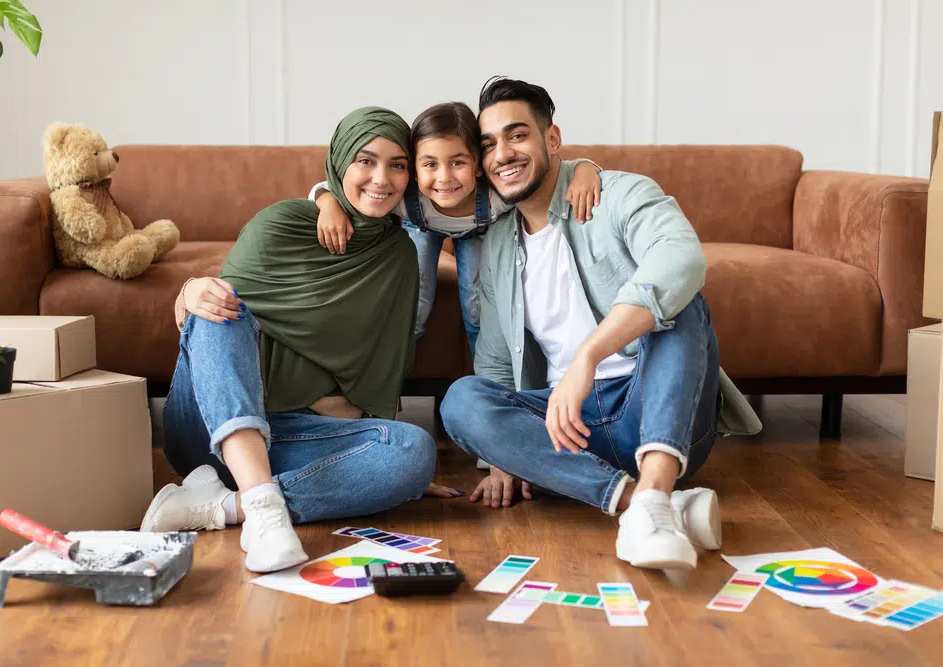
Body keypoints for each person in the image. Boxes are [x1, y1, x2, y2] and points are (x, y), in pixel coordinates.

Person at [440, 78, 761, 572]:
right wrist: (504, 455)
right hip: (568, 428)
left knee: (680, 306)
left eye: (517, 135)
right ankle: (647, 507)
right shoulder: (498, 243)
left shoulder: (618, 194)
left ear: (552, 139)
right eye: (488, 145)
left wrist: (587, 355)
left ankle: (655, 484)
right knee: (462, 399)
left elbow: (681, 261)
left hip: (657, 411)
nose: (503, 153)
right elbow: (498, 359)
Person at [140, 107, 457, 574]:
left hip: (292, 439)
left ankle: (229, 506)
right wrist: (190, 292)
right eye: (365, 161)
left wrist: (388, 464)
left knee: (414, 449)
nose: (381, 178)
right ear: (338, 162)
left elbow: (382, 369)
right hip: (208, 432)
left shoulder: (396, 256)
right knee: (218, 304)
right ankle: (266, 513)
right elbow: (215, 337)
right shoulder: (282, 223)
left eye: (397, 165)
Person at [307, 101, 604, 359]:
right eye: (430, 165)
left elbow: (553, 172)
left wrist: (586, 169)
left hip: (477, 232)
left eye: (458, 162)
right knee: (414, 309)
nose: (444, 177)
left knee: (477, 308)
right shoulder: (403, 196)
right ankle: (388, 386)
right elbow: (327, 188)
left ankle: (486, 383)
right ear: (414, 168)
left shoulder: (496, 195)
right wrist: (328, 204)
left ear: (477, 165)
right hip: (421, 228)